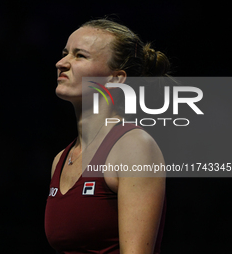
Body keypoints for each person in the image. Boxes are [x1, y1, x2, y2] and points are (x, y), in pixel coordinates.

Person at [45, 18, 169, 254]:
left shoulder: (134, 147)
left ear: (115, 79)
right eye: (64, 53)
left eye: (79, 56)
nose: (61, 63)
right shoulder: (61, 159)